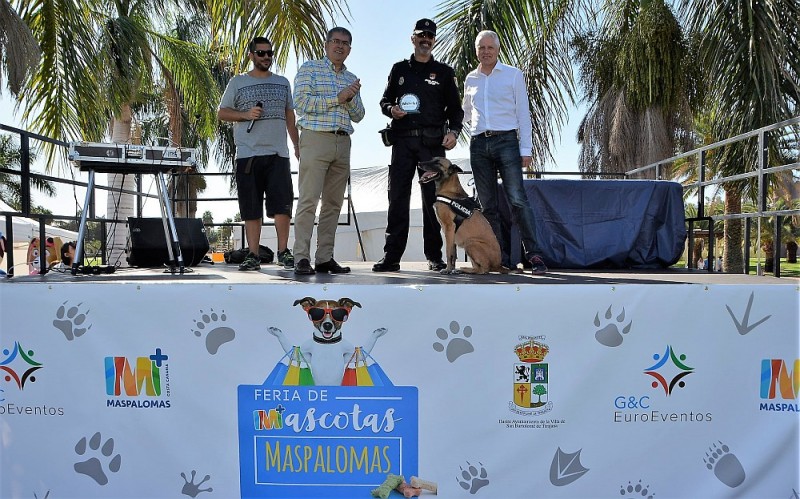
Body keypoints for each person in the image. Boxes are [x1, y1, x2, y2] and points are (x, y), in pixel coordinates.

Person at [372, 18, 464, 272]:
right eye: (421, 35)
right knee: (398, 198)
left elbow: (456, 111)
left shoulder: (445, 73)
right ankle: (391, 257)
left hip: (432, 146)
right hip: (402, 142)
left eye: (430, 36)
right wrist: (392, 109)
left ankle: (435, 256)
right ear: (413, 38)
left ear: (434, 40)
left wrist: (454, 132)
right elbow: (384, 101)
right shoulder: (399, 69)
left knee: (434, 202)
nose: (425, 39)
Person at [461, 30, 547, 274]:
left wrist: (526, 149)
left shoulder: (513, 75)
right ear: (476, 50)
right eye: (481, 48)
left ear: (498, 50)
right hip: (479, 145)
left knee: (518, 200)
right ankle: (500, 259)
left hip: (507, 142)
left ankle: (534, 256)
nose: (486, 51)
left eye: (490, 47)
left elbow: (523, 115)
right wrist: (458, 129)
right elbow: (466, 113)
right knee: (488, 206)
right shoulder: (470, 79)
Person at [218, 36, 299, 271]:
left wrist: (296, 145)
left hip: (278, 154)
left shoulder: (283, 82)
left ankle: (284, 252)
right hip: (247, 155)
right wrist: (245, 115)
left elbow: (290, 116)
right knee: (251, 208)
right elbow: (222, 113)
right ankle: (252, 254)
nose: (266, 57)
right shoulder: (237, 82)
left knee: (282, 207)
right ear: (251, 55)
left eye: (269, 53)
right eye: (261, 53)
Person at [292, 27, 364, 275]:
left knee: (333, 204)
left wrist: (351, 97)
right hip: (315, 139)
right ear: (326, 44)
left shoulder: (351, 77)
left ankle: (324, 258)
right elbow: (300, 103)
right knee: (308, 200)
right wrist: (338, 98)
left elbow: (360, 115)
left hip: (343, 142)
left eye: (345, 43)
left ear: (350, 49)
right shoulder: (310, 69)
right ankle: (301, 257)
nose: (340, 46)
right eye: (335, 41)